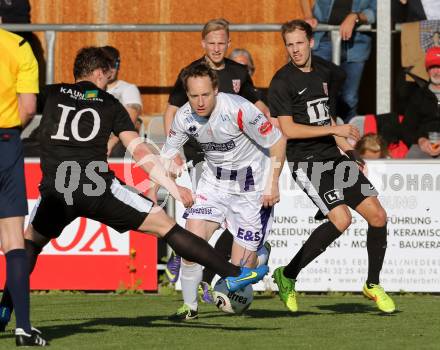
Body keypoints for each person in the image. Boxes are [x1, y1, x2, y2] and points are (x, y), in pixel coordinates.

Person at [0, 47, 269, 336]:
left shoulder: (51, 93)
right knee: (167, 228)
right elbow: (139, 150)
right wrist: (172, 188)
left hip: (56, 190)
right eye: (107, 75)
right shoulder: (110, 103)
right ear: (101, 73)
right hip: (97, 188)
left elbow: (23, 109)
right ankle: (234, 274)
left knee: (28, 246)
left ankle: (4, 311)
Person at [268, 20, 395, 314]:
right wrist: (333, 133)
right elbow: (289, 129)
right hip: (306, 161)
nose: (295, 50)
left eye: (300, 43)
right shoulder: (281, 81)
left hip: (333, 156)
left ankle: (372, 284)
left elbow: (328, 119)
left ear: (311, 42)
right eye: (289, 45)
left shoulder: (325, 71)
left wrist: (349, 152)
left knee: (377, 216)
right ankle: (287, 276)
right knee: (341, 220)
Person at [162, 62, 286, 320]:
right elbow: (168, 153)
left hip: (250, 187)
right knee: (190, 244)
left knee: (242, 271)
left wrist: (272, 183)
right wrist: (172, 174)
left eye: (205, 94)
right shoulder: (184, 116)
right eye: (194, 96)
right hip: (214, 183)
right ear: (187, 95)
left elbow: (277, 141)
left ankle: (260, 256)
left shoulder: (239, 109)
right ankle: (189, 307)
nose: (200, 102)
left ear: (216, 89)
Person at [163, 18, 271, 288]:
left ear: (228, 44)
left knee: (227, 219)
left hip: (235, 155)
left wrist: (268, 119)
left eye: (221, 43)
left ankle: (202, 272)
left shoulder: (238, 71)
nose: (216, 48)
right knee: (211, 214)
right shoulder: (191, 72)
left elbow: (255, 103)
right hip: (202, 156)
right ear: (203, 44)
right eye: (211, 43)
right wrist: (174, 150)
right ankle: (185, 254)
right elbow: (171, 111)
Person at [0, 28, 47, 346]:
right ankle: (23, 328)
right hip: (5, 141)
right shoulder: (17, 45)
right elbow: (29, 107)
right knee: (14, 239)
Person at [300, 0, 376, 121]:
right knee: (318, 95)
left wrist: (355, 17)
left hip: (356, 42)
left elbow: (375, 10)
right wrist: (309, 16)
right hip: (324, 37)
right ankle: (320, 136)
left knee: (349, 98)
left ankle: (348, 137)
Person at [101, 45, 143, 157]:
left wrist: (110, 143)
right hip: (95, 138)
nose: (111, 69)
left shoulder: (128, 89)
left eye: (115, 64)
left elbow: (129, 121)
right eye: (106, 64)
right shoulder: (91, 91)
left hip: (118, 140)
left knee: (119, 149)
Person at [402, 46, 440, 159]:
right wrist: (421, 140)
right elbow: (406, 128)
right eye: (432, 67)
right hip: (423, 147)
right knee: (410, 162)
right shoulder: (418, 95)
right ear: (427, 71)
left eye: (439, 67)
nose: (437, 71)